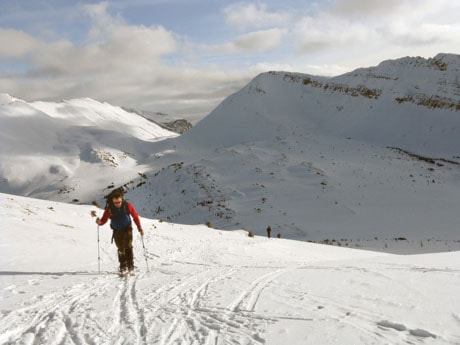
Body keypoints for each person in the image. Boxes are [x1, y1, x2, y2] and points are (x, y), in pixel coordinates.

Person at [96, 189, 144, 274]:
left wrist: (139, 228)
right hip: (117, 231)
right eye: (115, 203)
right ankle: (123, 266)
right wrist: (99, 222)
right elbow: (104, 219)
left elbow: (135, 216)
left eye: (119, 202)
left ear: (121, 199)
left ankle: (130, 266)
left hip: (127, 229)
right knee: (120, 248)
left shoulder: (127, 205)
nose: (117, 204)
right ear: (113, 201)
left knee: (128, 246)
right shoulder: (109, 208)